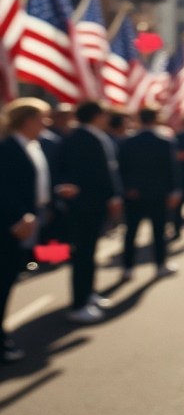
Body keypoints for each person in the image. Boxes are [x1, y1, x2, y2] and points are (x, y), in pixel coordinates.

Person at [58, 101, 122, 324]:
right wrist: (112, 195)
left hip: (93, 205)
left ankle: (88, 293)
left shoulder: (92, 136)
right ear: (96, 115)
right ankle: (79, 303)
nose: (107, 118)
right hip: (85, 206)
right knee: (83, 254)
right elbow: (97, 172)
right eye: (104, 114)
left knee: (90, 252)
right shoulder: (81, 137)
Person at [0, 99, 52, 363]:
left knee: (10, 279)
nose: (46, 124)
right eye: (41, 118)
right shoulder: (8, 148)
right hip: (11, 227)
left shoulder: (31, 146)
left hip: (30, 221)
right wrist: (14, 220)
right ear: (27, 120)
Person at [118, 108, 181, 280]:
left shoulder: (128, 141)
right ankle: (160, 264)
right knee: (158, 232)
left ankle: (128, 268)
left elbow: (121, 169)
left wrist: (127, 188)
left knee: (131, 232)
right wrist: (174, 191)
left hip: (134, 195)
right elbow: (172, 169)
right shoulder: (164, 141)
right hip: (157, 195)